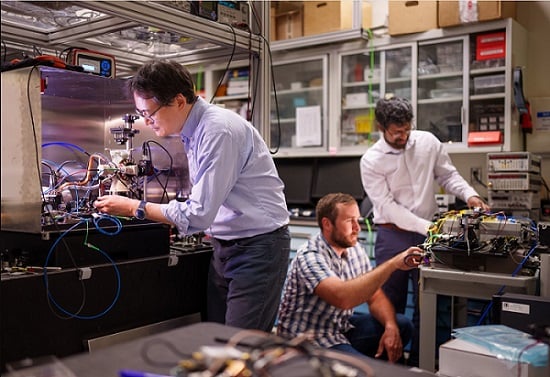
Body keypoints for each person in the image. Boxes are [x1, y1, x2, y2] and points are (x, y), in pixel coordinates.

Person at [94, 60, 291, 332]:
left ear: (178, 101)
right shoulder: (193, 130)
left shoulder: (217, 130)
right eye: (141, 114)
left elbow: (199, 213)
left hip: (258, 248)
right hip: (226, 245)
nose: (147, 122)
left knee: (242, 349)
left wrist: (133, 207)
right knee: (216, 340)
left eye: (150, 113)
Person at [359, 96, 490, 365]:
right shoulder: (371, 160)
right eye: (396, 132)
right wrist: (429, 227)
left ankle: (423, 364)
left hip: (427, 234)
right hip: (392, 234)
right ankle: (387, 364)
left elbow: (448, 175)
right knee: (388, 306)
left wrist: (470, 195)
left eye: (407, 129)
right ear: (381, 127)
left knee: (429, 300)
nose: (403, 136)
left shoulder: (428, 142)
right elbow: (387, 206)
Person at [277, 193, 423, 363]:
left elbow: (375, 296)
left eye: (357, 220)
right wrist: (393, 264)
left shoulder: (354, 249)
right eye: (349, 221)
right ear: (327, 224)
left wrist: (390, 326)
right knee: (364, 370)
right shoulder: (310, 256)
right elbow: (342, 297)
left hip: (339, 329)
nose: (357, 228)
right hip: (308, 341)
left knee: (401, 326)